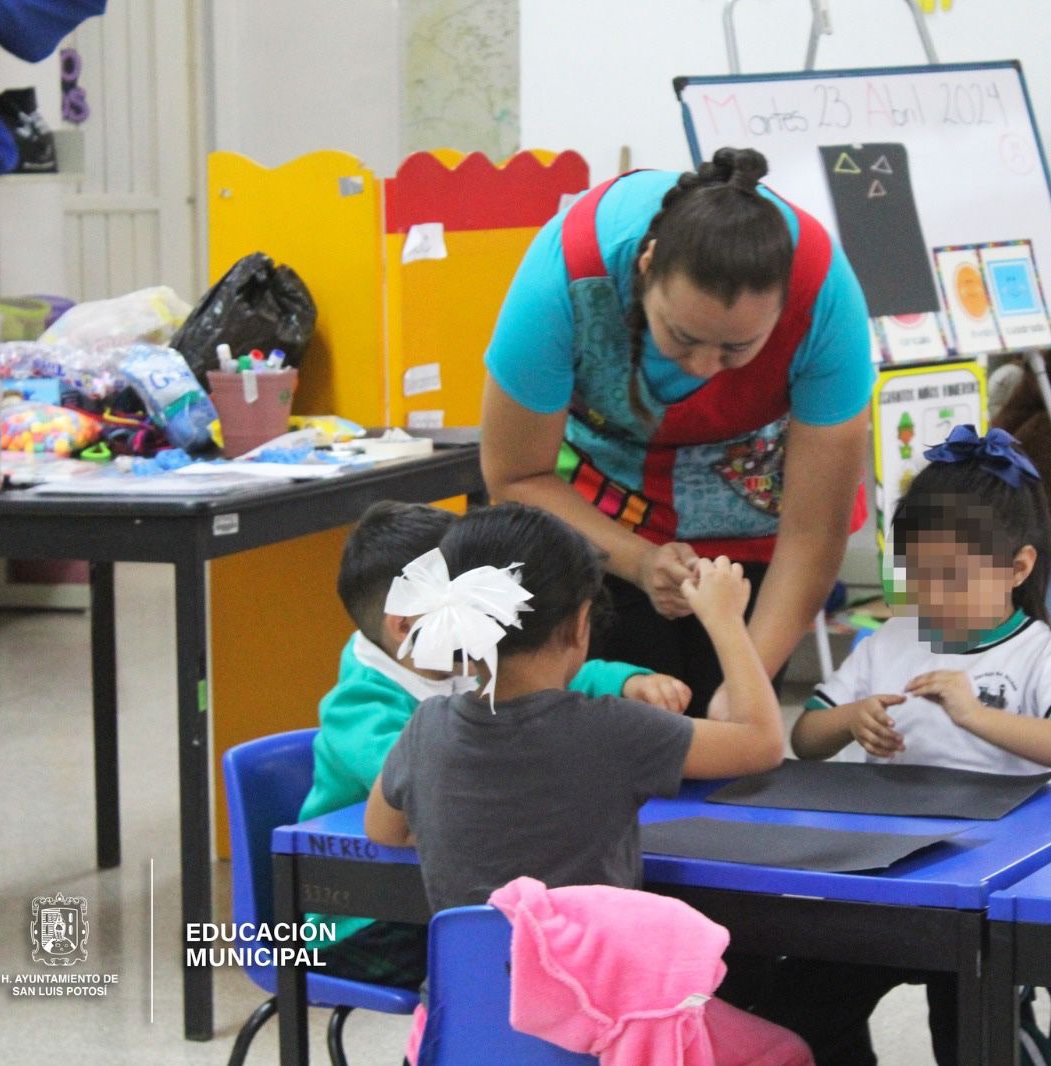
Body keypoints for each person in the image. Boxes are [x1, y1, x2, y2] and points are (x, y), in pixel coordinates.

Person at [480, 146, 875, 718]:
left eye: (737, 349)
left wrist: (745, 687)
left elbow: (813, 534)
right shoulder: (568, 275)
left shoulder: (825, 298)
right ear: (645, 267)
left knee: (730, 747)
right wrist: (638, 561)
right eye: (682, 337)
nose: (702, 367)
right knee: (615, 738)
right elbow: (516, 475)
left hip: (755, 529)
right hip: (600, 524)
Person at [774, 426, 1051, 1066]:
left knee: (970, 1039)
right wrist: (852, 718)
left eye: (953, 578)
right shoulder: (889, 643)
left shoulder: (1044, 655)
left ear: (1018, 568)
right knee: (806, 1006)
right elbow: (806, 738)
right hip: (889, 878)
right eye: (919, 576)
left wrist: (975, 715)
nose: (932, 596)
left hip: (990, 893)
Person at [298, 500, 687, 990]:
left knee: (559, 944)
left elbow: (546, 677)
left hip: (446, 890)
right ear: (406, 625)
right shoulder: (359, 706)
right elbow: (440, 787)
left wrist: (627, 682)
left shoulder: (455, 661)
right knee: (539, 958)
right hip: (361, 919)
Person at [364, 501, 785, 915]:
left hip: (468, 983)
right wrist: (725, 620)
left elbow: (383, 830)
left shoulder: (425, 727)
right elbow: (761, 742)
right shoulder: (613, 730)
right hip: (592, 983)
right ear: (580, 623)